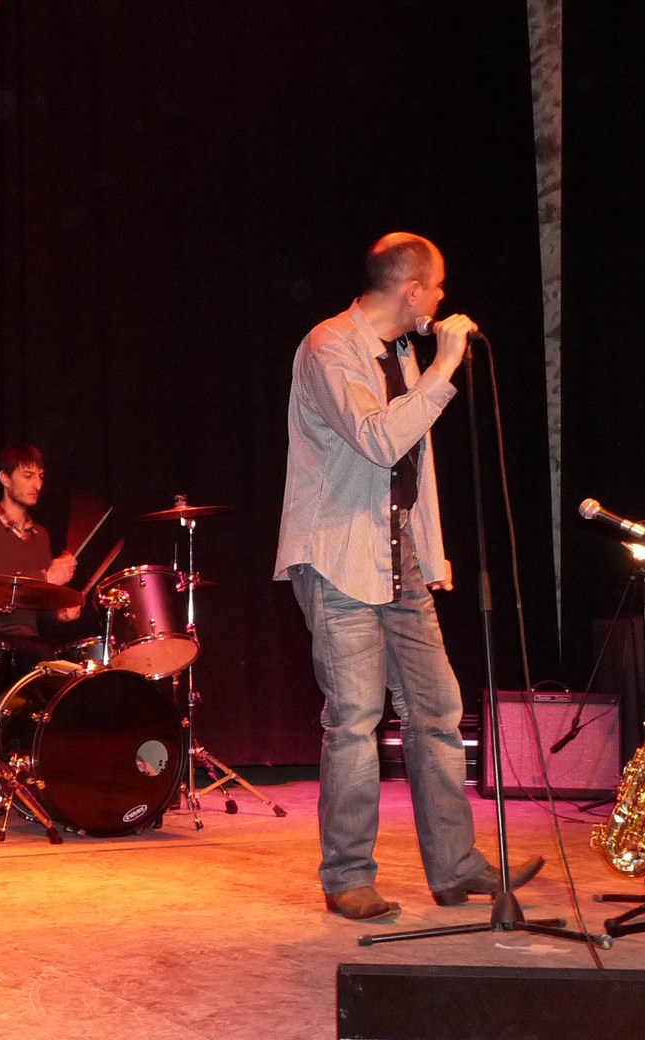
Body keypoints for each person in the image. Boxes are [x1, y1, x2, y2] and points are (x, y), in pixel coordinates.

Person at [274, 232, 542, 920]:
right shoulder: (329, 346)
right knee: (355, 720)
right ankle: (347, 876)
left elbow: (415, 466)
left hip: (401, 562)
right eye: (439, 286)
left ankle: (455, 867)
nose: (444, 299)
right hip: (340, 560)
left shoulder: (401, 354)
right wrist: (445, 367)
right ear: (412, 290)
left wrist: (432, 550)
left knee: (438, 712)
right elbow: (378, 439)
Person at [0, 444, 80, 649]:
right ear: (5, 479)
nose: (37, 485)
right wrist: (46, 578)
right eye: (28, 476)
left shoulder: (41, 535)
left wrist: (59, 613)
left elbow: (36, 612)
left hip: (29, 643)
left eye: (40, 477)